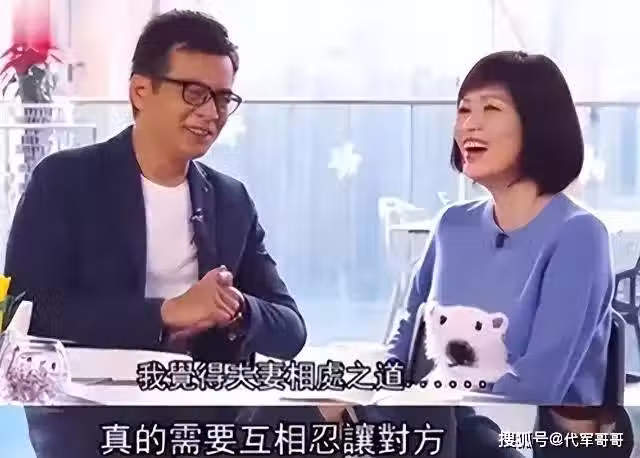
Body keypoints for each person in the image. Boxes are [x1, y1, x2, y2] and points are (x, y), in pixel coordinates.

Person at [242, 51, 634, 458]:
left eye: (491, 108)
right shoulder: (452, 226)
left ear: (538, 124)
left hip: (531, 441)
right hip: (446, 425)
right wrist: (353, 398)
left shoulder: (579, 235)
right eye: (463, 109)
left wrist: (407, 402)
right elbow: (404, 350)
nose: (469, 124)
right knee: (286, 414)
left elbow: (538, 383)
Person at [4, 10, 306, 457]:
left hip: (205, 427)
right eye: (194, 93)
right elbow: (23, 311)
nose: (211, 113)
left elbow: (291, 331)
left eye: (223, 98)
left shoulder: (231, 200)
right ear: (141, 91)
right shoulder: (65, 181)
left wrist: (237, 308)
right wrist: (166, 314)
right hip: (91, 425)